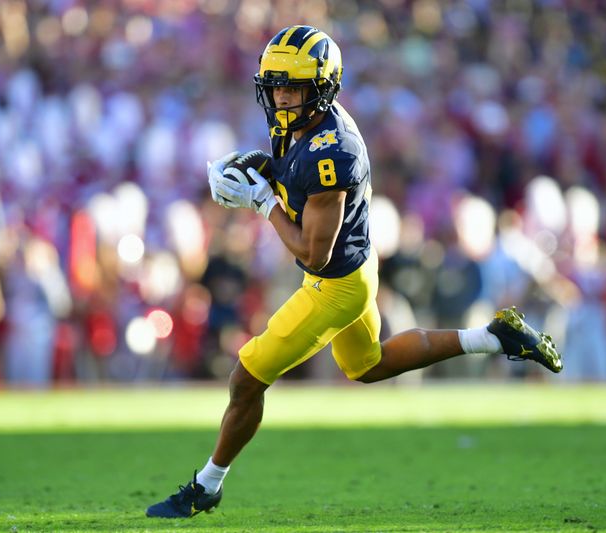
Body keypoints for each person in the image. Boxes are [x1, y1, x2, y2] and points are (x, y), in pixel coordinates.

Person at [145, 25, 563, 519]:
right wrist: (263, 169)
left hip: (335, 284)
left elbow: (313, 253)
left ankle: (207, 485)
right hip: (358, 266)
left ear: (320, 90)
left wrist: (260, 200)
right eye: (276, 85)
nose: (281, 97)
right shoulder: (310, 123)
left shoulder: (332, 151)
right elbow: (294, 171)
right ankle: (494, 338)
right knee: (369, 365)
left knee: (245, 379)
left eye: (293, 88)